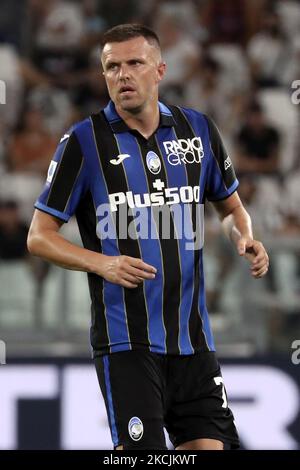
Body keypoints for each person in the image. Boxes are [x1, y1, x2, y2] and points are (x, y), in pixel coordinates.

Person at [27, 24, 269, 451]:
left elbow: (230, 208)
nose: (122, 75)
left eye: (134, 63)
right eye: (111, 67)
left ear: (159, 70)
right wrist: (102, 262)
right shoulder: (83, 142)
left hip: (193, 341)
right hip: (126, 343)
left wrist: (243, 237)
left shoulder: (198, 131)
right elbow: (39, 237)